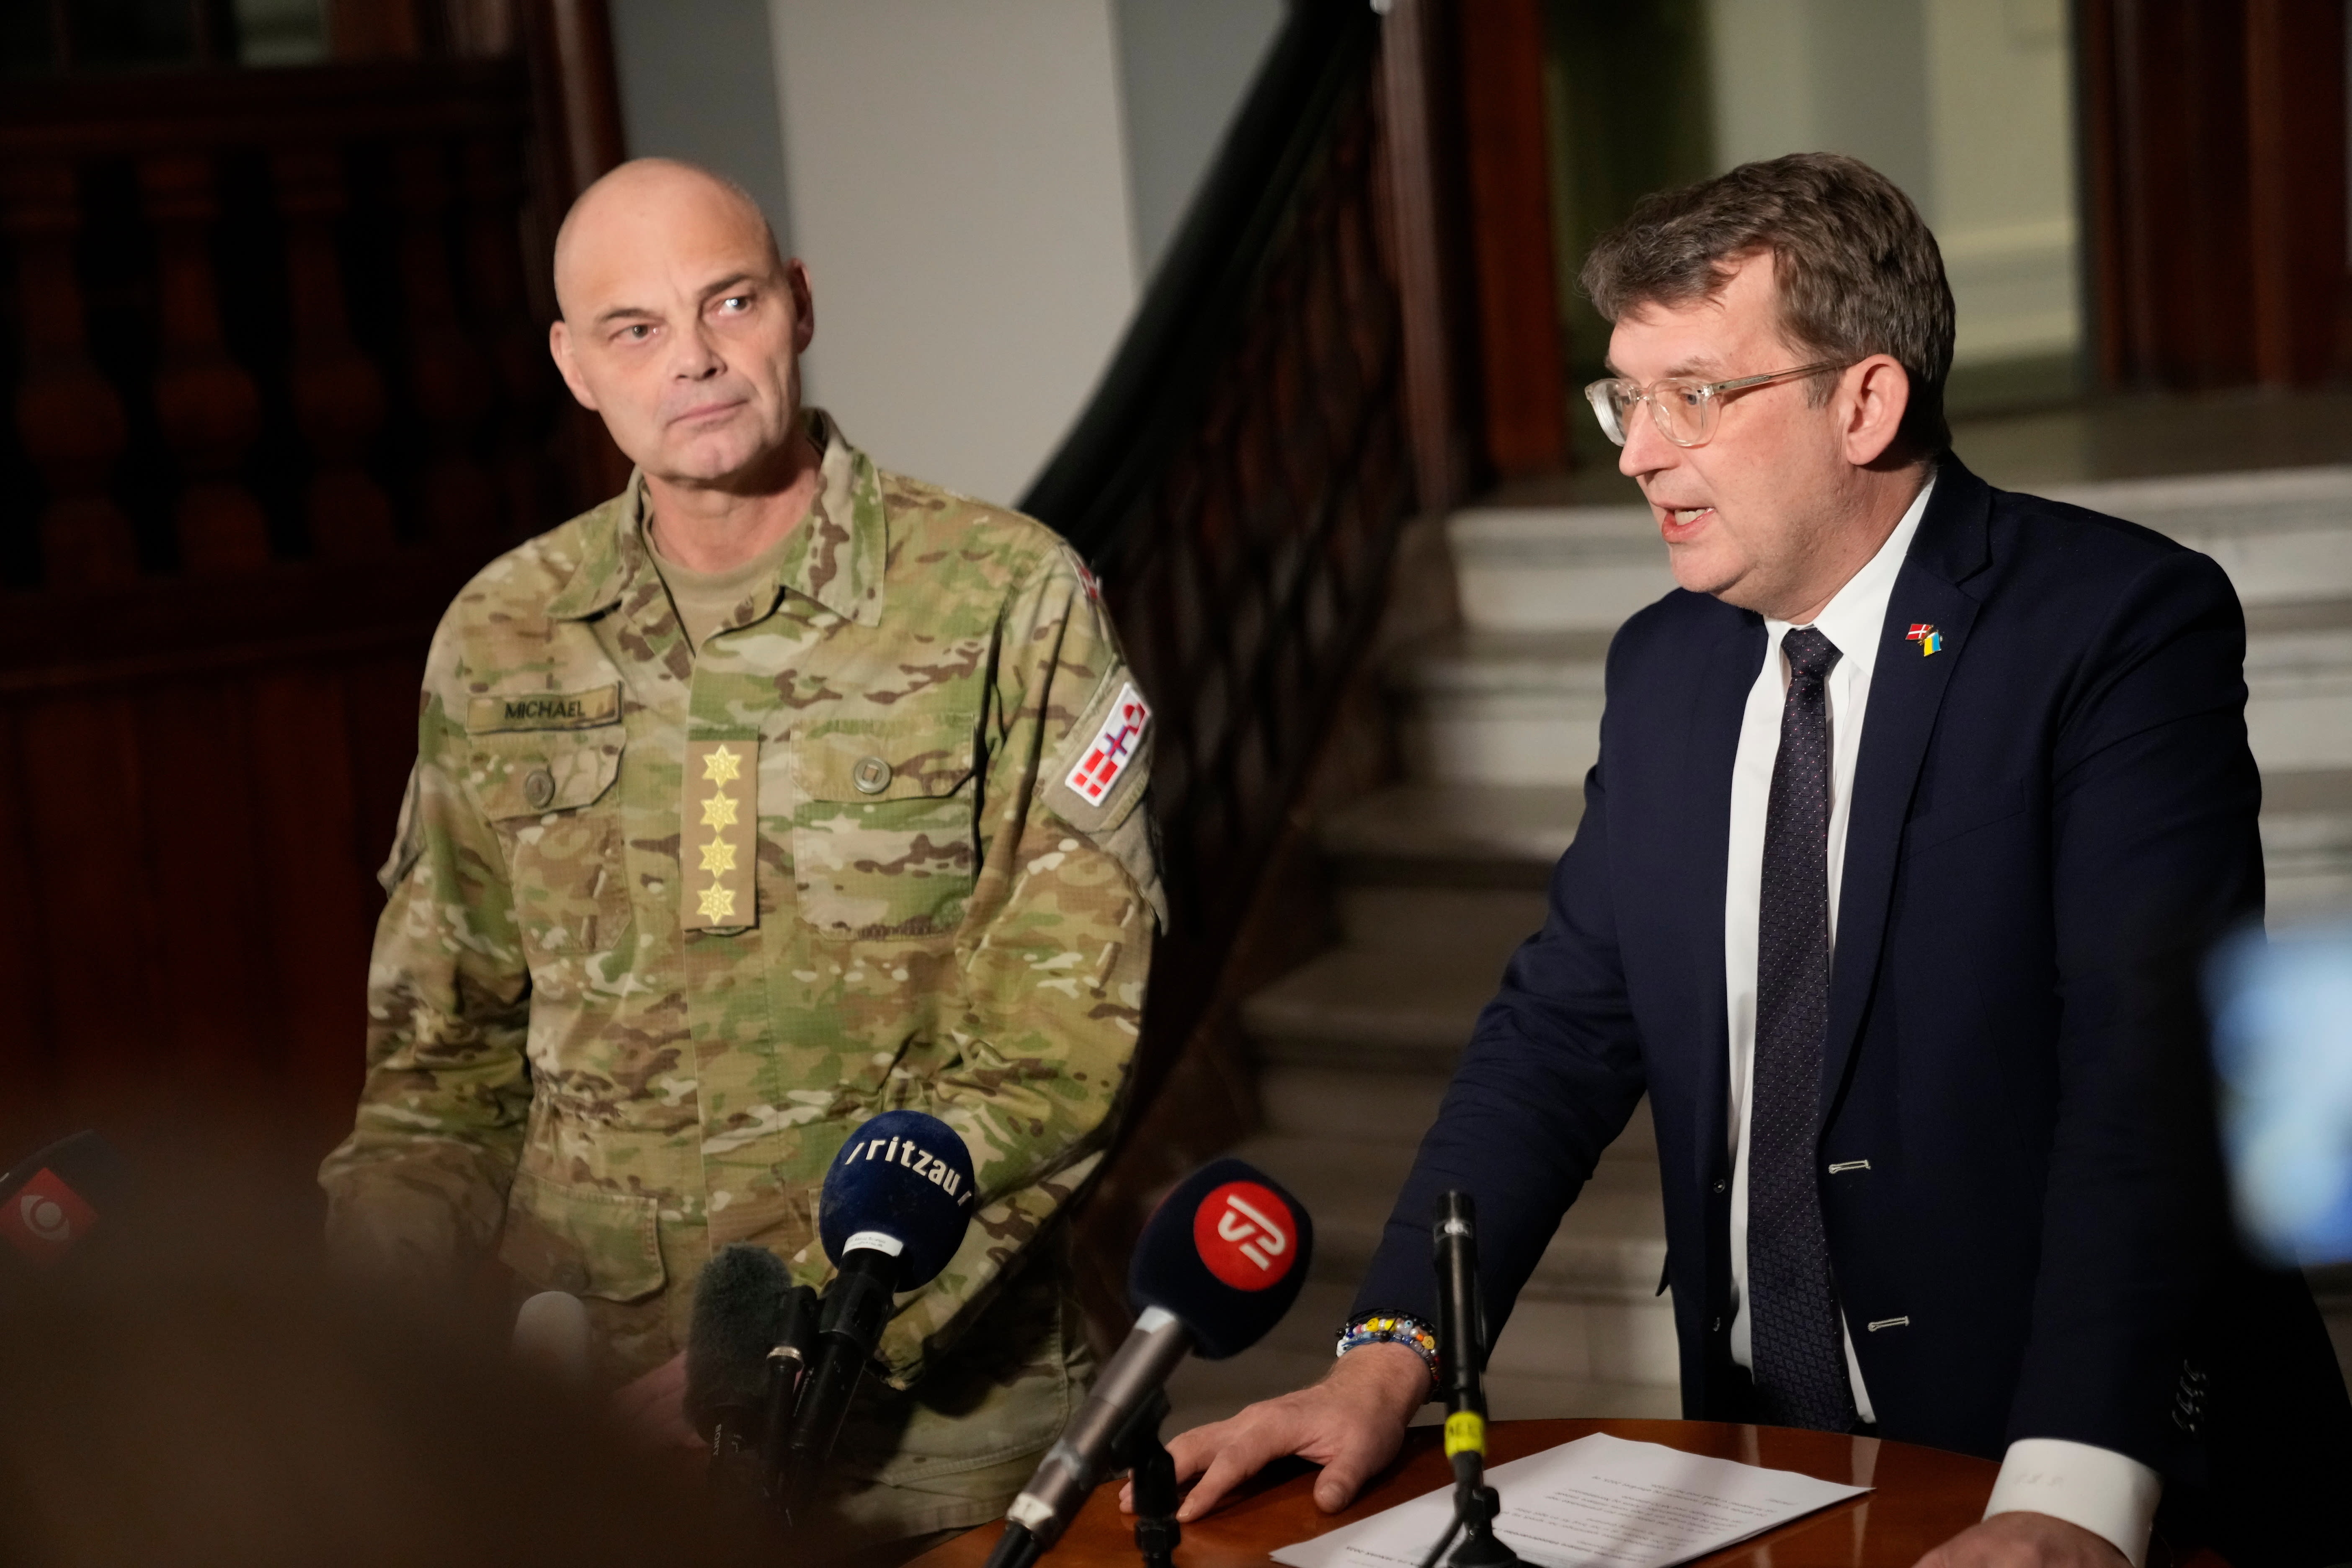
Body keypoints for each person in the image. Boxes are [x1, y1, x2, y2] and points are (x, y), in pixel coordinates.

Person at [1152, 154, 2352, 1568]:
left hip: (2068, 1456)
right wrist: (1388, 1351)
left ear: (1866, 403)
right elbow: (1557, 1036)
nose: (1637, 453)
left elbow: (2151, 1068)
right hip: (1771, 1465)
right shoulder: (1665, 668)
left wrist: (2069, 1490)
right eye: (1625, 397)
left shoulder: (2115, 626)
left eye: (1695, 397)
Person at [318, 157, 1163, 1550]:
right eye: (635, 328)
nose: (695, 360)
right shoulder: (503, 632)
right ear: (574, 365)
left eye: (731, 302)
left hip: (938, 1459)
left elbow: (1057, 1052)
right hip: (595, 1453)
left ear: (800, 305)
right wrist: (366, 1356)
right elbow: (440, 1070)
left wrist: (775, 1352)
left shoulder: (1005, 598)